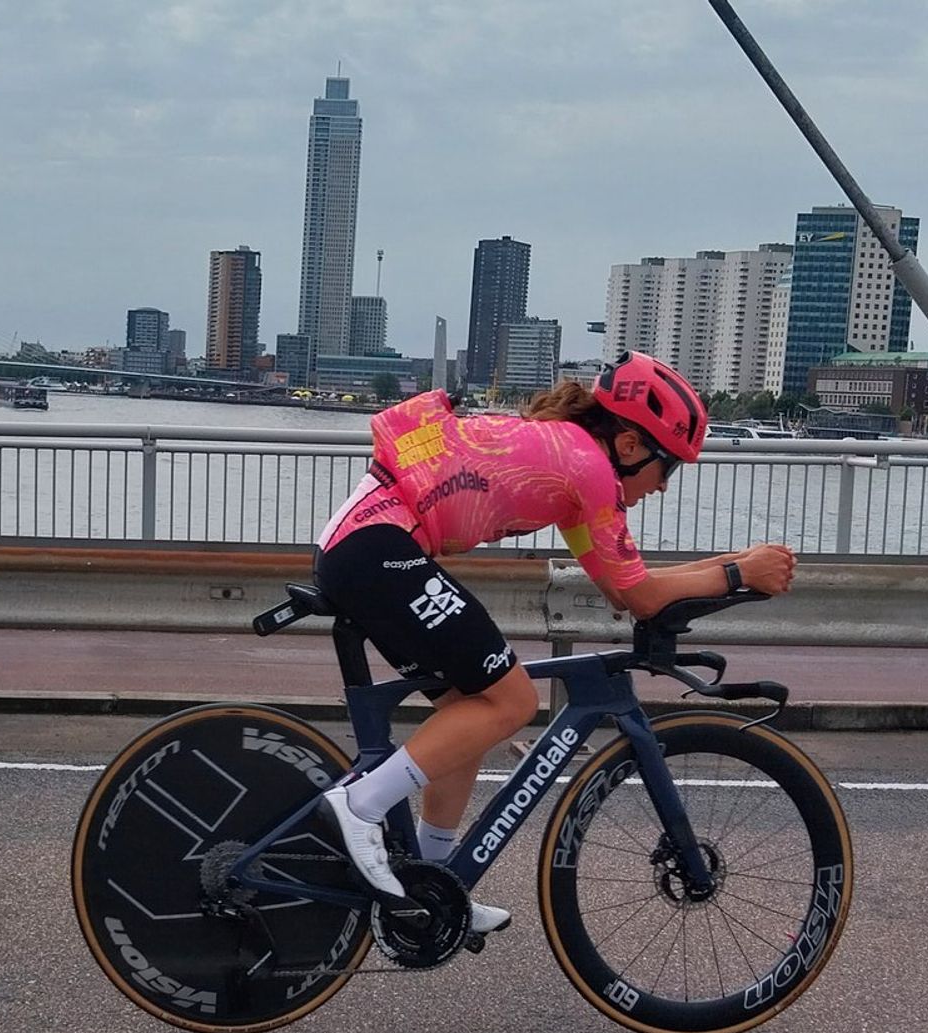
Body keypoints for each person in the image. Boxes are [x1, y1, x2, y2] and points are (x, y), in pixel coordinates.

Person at [311, 351, 796, 935]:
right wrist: (738, 575)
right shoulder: (589, 471)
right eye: (668, 467)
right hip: (377, 549)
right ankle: (359, 806)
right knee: (513, 701)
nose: (665, 486)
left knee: (471, 711)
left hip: (367, 548)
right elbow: (642, 598)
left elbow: (623, 587)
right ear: (630, 446)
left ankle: (432, 884)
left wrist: (731, 563)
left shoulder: (571, 469)